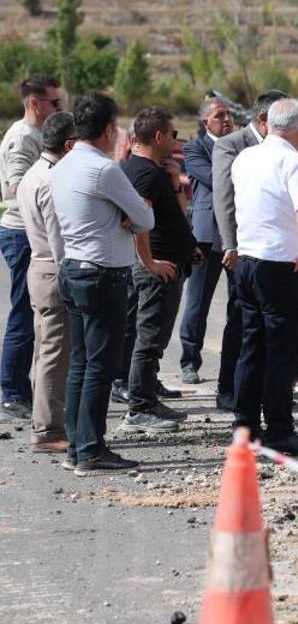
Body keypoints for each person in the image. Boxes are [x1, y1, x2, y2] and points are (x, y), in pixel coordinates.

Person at [51, 93, 154, 474]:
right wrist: (133, 214)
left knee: (80, 363)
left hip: (74, 268)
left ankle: (78, 447)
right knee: (99, 366)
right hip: (102, 274)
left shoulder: (62, 165)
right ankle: (91, 449)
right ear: (110, 129)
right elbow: (145, 219)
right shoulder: (104, 169)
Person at [213, 90, 298, 410]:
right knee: (281, 350)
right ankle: (278, 426)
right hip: (280, 265)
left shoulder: (246, 158)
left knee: (251, 348)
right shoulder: (295, 161)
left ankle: (246, 424)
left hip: (248, 262)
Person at [117, 108, 197, 433]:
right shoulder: (144, 174)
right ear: (160, 136)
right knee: (149, 339)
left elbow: (172, 215)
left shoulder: (151, 171)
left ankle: (148, 398)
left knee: (154, 339)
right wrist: (148, 262)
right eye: (174, 134)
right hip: (157, 269)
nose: (176, 141)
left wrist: (175, 182)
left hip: (166, 263)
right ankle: (139, 409)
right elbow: (133, 220)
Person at [0, 76, 62, 420]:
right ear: (34, 103)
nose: (59, 108)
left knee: (36, 314)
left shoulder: (37, 134)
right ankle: (12, 391)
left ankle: (22, 389)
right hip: (22, 233)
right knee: (25, 313)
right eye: (54, 103)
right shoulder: (22, 137)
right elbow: (19, 187)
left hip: (32, 232)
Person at [15, 111, 75, 453]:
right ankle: (48, 431)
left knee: (49, 350)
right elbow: (59, 241)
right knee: (55, 353)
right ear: (68, 144)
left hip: (39, 266)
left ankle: (51, 425)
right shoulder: (53, 181)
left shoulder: (33, 175)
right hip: (53, 267)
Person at [178, 97, 234, 385]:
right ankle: (189, 361)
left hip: (237, 235)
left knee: (240, 302)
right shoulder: (195, 148)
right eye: (219, 115)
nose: (226, 119)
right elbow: (216, 178)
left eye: (228, 114)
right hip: (206, 236)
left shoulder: (243, 146)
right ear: (205, 122)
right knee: (197, 302)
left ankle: (236, 361)